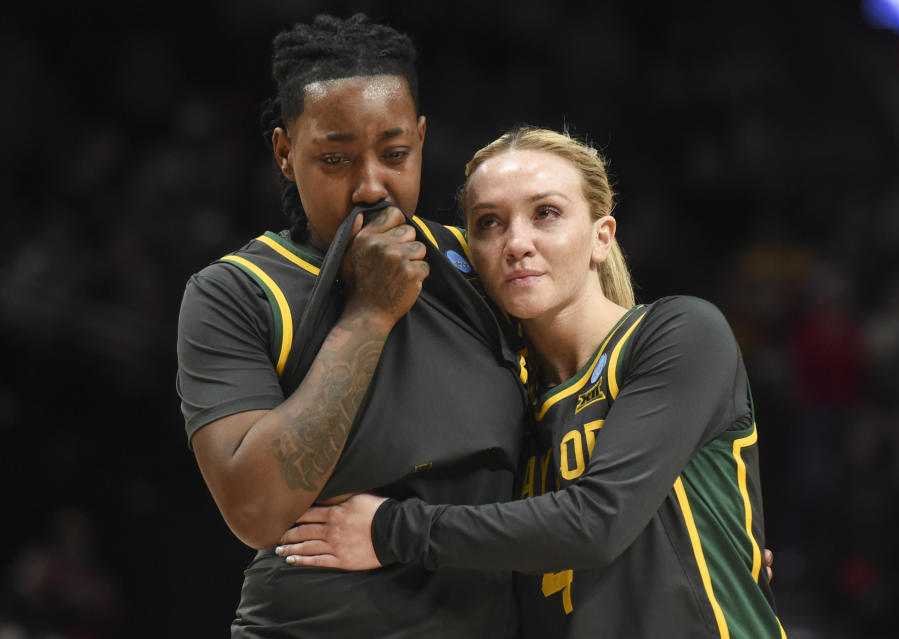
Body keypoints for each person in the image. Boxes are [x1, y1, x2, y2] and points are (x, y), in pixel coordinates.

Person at [275, 127, 789, 638]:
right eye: (489, 223)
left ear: (601, 236)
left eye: (546, 213)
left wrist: (386, 530)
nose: (516, 243)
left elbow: (596, 524)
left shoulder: (679, 334)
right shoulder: (510, 412)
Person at [175, 14, 529, 638]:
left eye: (395, 155)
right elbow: (256, 510)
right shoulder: (234, 293)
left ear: (422, 140)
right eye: (335, 158)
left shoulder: (481, 269)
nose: (371, 185)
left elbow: (593, 427)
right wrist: (369, 312)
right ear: (285, 154)